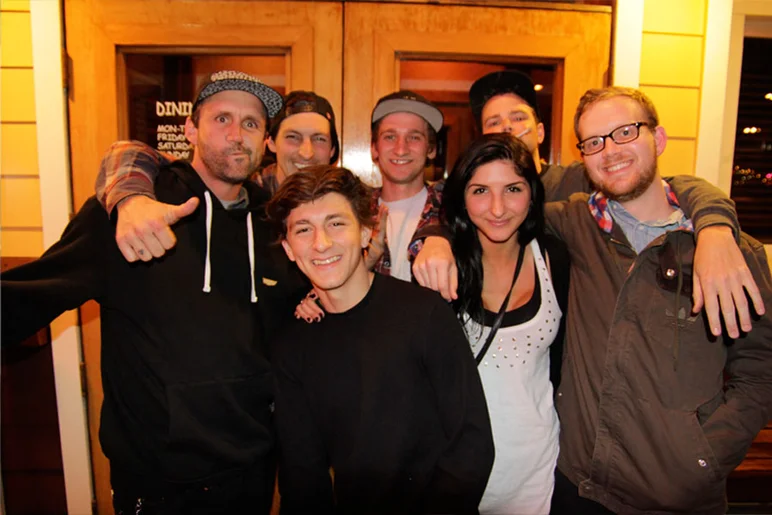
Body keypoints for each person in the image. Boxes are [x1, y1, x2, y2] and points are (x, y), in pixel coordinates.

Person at [1, 70, 306, 515]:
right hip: (157, 480)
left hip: (253, 473)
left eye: (251, 124)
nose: (236, 135)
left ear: (265, 142)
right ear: (190, 129)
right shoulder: (137, 210)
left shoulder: (273, 224)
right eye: (222, 119)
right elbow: (31, 293)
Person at [547, 86, 772, 515]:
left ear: (660, 139)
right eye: (594, 141)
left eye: (625, 132)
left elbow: (761, 373)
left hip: (677, 501)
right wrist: (437, 239)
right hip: (579, 488)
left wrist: (702, 461)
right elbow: (491, 205)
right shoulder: (576, 225)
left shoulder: (733, 254)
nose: (610, 151)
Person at [265, 165, 495, 514]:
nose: (321, 242)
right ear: (288, 249)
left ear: (365, 233)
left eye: (336, 223)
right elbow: (302, 475)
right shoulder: (293, 343)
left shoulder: (424, 313)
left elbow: (471, 439)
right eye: (303, 229)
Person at [443, 133, 569, 514]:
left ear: (531, 193)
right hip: (459, 472)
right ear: (462, 197)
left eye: (512, 188)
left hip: (537, 470)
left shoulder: (554, 258)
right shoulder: (441, 266)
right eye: (480, 190)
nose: (497, 208)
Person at [94, 90, 340, 262]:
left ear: (332, 151)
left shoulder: (344, 207)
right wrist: (130, 197)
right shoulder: (247, 203)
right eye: (292, 137)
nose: (306, 152)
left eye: (319, 139)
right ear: (270, 143)